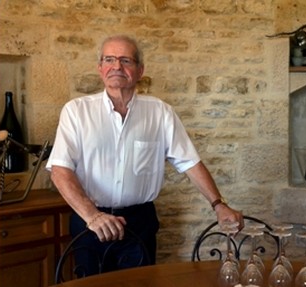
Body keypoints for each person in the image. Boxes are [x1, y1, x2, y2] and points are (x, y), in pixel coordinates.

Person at [45, 35, 244, 276]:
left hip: (139, 224)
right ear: (100, 68)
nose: (116, 66)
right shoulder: (76, 111)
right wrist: (93, 216)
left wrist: (218, 205)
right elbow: (60, 170)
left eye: (125, 60)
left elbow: (190, 163)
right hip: (90, 223)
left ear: (140, 70)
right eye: (109, 59)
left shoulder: (160, 113)